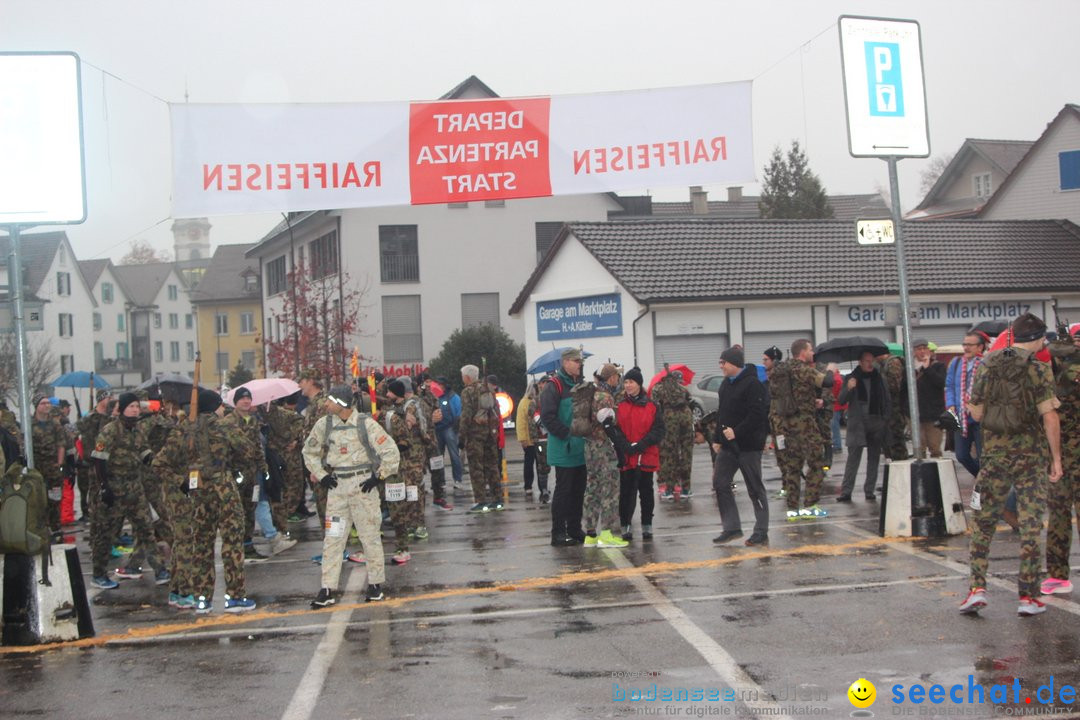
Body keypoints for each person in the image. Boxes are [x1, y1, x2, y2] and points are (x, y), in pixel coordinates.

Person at [959, 313, 1062, 617]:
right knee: (1031, 526)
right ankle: (1028, 597)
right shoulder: (1040, 369)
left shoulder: (987, 365)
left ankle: (977, 588)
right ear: (1039, 338)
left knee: (982, 524)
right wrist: (1056, 459)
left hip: (994, 458)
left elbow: (975, 414)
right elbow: (1050, 416)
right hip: (1031, 459)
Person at [154, 389, 258, 613]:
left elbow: (159, 463)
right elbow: (248, 450)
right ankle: (235, 597)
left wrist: (180, 480)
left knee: (201, 544)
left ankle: (202, 598)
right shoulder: (224, 426)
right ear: (215, 407)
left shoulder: (182, 430)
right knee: (231, 541)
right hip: (223, 487)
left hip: (197, 488)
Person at [303, 384, 400, 606]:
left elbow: (390, 451)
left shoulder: (365, 424)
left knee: (370, 536)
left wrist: (379, 476)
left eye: (330, 400)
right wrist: (321, 474)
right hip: (337, 488)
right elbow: (309, 451)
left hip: (362, 485)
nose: (325, 404)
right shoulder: (324, 425)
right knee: (333, 538)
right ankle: (327, 588)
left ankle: (375, 585)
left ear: (342, 403)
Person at [90, 392, 170, 586]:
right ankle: (99, 575)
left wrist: (159, 463)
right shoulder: (110, 430)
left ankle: (160, 570)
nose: (135, 410)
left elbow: (145, 453)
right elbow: (98, 459)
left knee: (146, 529)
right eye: (131, 406)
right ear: (122, 409)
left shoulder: (137, 430)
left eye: (136, 406)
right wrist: (104, 488)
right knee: (106, 534)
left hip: (135, 489)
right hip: (114, 489)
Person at [710, 347, 770, 547]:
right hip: (728, 447)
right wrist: (717, 438)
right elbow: (722, 413)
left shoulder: (753, 384)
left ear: (734, 363)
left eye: (723, 363)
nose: (721, 366)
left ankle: (761, 530)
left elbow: (758, 414)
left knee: (754, 488)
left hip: (749, 446)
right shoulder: (726, 385)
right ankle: (731, 527)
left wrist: (737, 431)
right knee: (720, 482)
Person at [770, 339, 832, 520]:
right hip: (805, 424)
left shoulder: (782, 370)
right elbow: (826, 382)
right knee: (817, 463)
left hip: (786, 424)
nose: (812, 353)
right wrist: (831, 368)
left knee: (793, 467)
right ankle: (810, 505)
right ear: (803, 352)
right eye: (810, 350)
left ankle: (792, 508)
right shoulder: (804, 370)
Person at [1042, 325, 1080, 595]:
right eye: (1075, 338)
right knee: (1058, 514)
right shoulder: (1053, 368)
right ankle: (1057, 574)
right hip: (1060, 455)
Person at [540, 348, 588, 546]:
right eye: (576, 361)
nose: (580, 364)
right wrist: (567, 434)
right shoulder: (554, 386)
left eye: (580, 361)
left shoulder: (581, 384)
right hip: (564, 448)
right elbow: (548, 417)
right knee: (563, 491)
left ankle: (575, 529)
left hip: (581, 448)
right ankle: (558, 533)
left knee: (579, 491)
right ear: (566, 362)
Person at [581, 363, 628, 548]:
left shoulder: (591, 394)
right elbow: (607, 425)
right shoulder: (605, 397)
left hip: (589, 447)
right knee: (610, 489)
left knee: (592, 488)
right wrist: (620, 447)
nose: (618, 380)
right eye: (617, 376)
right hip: (603, 448)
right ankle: (608, 533)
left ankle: (590, 534)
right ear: (611, 378)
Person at [616, 367, 664, 540]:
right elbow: (617, 429)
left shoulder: (652, 405)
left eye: (631, 382)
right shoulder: (620, 405)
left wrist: (642, 444)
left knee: (646, 491)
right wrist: (626, 446)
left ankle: (647, 525)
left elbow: (658, 430)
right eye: (626, 382)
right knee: (626, 492)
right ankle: (625, 525)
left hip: (646, 455)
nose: (628, 385)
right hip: (627, 456)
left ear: (639, 384)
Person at [223, 386, 271, 560]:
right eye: (242, 399)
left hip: (252, 473)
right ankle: (235, 548)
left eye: (248, 398)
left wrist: (263, 468)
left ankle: (248, 545)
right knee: (237, 511)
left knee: (250, 508)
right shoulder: (228, 422)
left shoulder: (252, 421)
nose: (246, 401)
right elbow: (225, 450)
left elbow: (257, 446)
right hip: (235, 474)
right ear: (236, 402)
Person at [836, 351, 890, 502]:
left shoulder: (879, 378)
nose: (869, 363)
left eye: (871, 360)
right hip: (857, 423)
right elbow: (841, 400)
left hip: (876, 421)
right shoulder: (851, 378)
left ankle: (869, 490)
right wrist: (849, 388)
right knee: (853, 458)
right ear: (860, 362)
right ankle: (846, 491)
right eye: (866, 361)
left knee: (873, 458)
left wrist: (885, 419)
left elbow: (887, 400)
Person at [383, 378, 426, 565]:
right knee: (405, 494)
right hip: (403, 460)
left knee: (412, 492)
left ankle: (417, 525)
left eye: (389, 392)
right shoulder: (392, 410)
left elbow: (409, 433)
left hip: (409, 458)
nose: (387, 395)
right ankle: (409, 525)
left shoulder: (407, 408)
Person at [460, 365, 502, 512]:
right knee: (492, 466)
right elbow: (496, 410)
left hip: (475, 435)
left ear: (467, 377)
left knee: (476, 468)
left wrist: (461, 436)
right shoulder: (488, 389)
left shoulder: (468, 392)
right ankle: (498, 499)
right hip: (490, 432)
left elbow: (466, 415)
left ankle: (481, 501)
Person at [945, 332, 986, 479]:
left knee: (984, 457)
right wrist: (950, 404)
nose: (966, 348)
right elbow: (949, 386)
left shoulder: (985, 364)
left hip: (980, 418)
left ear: (980, 347)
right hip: (961, 418)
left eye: (970, 345)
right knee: (961, 455)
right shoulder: (956, 363)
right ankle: (982, 479)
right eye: (965, 344)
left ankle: (985, 483)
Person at [651, 370, 695, 500]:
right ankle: (686, 489)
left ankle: (669, 490)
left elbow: (655, 405)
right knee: (686, 453)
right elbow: (690, 401)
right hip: (686, 418)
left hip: (669, 420)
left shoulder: (658, 388)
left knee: (670, 454)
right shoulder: (683, 389)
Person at [31, 395, 66, 532]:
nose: (47, 405)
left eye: (48, 403)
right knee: (39, 500)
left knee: (55, 500)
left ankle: (55, 528)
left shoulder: (55, 424)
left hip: (53, 470)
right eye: (43, 403)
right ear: (36, 406)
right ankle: (41, 529)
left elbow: (61, 444)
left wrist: (59, 463)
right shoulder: (30, 424)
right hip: (37, 470)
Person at [298, 368, 329, 522]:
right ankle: (333, 543)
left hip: (324, 466)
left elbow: (323, 438)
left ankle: (336, 544)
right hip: (318, 465)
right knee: (325, 510)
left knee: (328, 510)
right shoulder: (314, 404)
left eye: (302, 381)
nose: (299, 385)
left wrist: (318, 467)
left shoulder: (322, 405)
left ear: (310, 382)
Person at [417, 373, 451, 510]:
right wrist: (431, 419)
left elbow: (437, 412)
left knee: (437, 468)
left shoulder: (433, 397)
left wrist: (438, 416)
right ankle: (418, 501)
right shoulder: (415, 400)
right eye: (426, 382)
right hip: (419, 440)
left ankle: (439, 497)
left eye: (431, 381)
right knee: (418, 472)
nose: (429, 384)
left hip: (432, 438)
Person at [912, 338, 947, 458]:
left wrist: (927, 369)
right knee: (919, 448)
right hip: (915, 414)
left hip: (934, 414)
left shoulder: (938, 366)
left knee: (935, 447)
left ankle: (936, 473)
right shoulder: (909, 368)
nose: (922, 351)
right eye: (918, 349)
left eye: (924, 348)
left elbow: (941, 383)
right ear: (913, 352)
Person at [878, 351, 910, 460]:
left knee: (896, 439)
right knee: (888, 440)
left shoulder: (893, 363)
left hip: (895, 408)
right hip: (888, 408)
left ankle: (900, 462)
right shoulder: (882, 365)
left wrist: (880, 384)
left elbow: (896, 386)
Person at [434, 375, 463, 493]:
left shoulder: (454, 397)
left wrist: (456, 427)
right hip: (437, 429)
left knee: (454, 456)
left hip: (449, 429)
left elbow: (459, 412)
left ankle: (458, 480)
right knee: (437, 458)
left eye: (441, 384)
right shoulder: (434, 397)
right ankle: (440, 481)